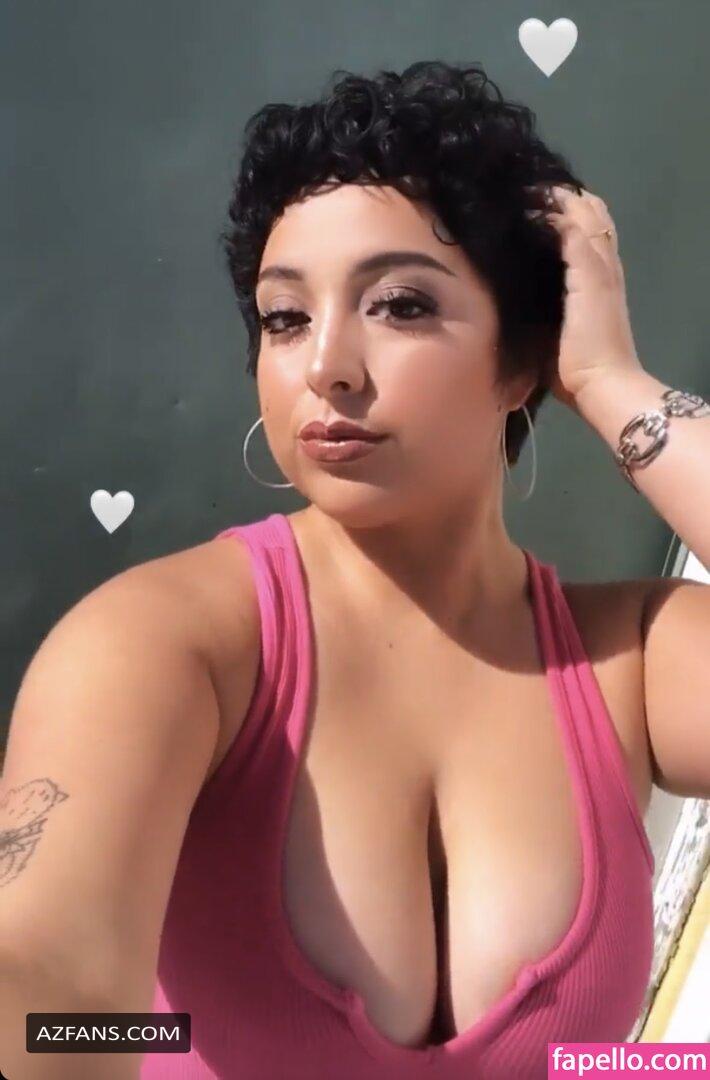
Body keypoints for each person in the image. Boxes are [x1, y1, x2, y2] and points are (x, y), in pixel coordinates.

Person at [3, 60, 709, 1080]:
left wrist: (610, 381)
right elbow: (46, 995)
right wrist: (162, 1045)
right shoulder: (168, 644)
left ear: (522, 360)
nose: (324, 365)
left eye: (400, 305)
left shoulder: (630, 664)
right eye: (284, 318)